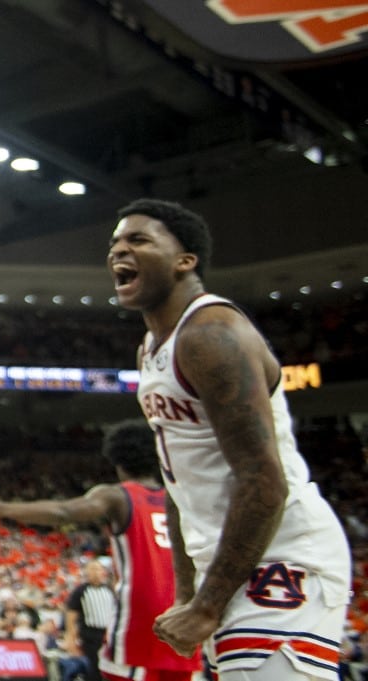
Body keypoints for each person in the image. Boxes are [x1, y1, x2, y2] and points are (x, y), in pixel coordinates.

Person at [107, 198, 351, 680]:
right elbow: (177, 485)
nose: (118, 251)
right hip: (225, 563)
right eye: (114, 243)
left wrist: (207, 602)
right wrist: (186, 592)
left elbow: (263, 480)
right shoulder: (152, 350)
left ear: (185, 260)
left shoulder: (211, 334)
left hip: (281, 552)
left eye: (137, 240)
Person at [0, 419, 201, 681]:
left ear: (117, 460)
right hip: (184, 620)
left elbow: (64, 511)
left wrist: (2, 509)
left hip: (141, 624)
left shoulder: (118, 496)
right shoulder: (180, 498)